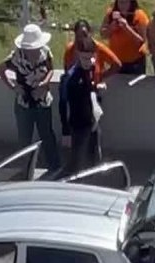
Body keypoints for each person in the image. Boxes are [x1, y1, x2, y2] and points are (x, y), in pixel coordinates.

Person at [0, 24, 61, 173]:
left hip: (43, 101)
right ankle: (25, 169)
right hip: (24, 103)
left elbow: (51, 69)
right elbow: (1, 69)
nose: (34, 51)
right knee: (25, 138)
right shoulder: (16, 57)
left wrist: (44, 84)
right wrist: (13, 87)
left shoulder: (45, 52)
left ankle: (54, 166)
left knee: (47, 134)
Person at [59, 36, 104, 174]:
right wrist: (65, 131)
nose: (87, 62)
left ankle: (94, 180)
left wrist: (97, 92)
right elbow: (63, 103)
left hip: (91, 121)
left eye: (90, 58)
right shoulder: (70, 78)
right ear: (78, 55)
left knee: (94, 157)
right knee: (76, 162)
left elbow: (89, 93)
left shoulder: (90, 68)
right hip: (78, 125)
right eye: (84, 58)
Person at [100, 0, 149, 75]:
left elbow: (142, 42)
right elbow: (103, 34)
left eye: (126, 2)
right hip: (116, 61)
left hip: (135, 63)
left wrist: (127, 28)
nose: (123, 5)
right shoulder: (111, 14)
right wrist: (111, 28)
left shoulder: (140, 15)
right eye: (120, 2)